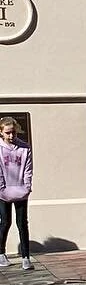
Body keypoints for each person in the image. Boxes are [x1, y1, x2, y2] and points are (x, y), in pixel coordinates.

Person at [0, 115, 33, 270]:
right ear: (1, 133)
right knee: (5, 222)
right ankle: (1, 254)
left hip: (20, 191)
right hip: (3, 192)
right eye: (7, 133)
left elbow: (28, 170)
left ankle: (26, 258)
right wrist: (2, 189)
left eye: (13, 132)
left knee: (22, 223)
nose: (11, 136)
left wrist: (26, 187)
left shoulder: (24, 148)